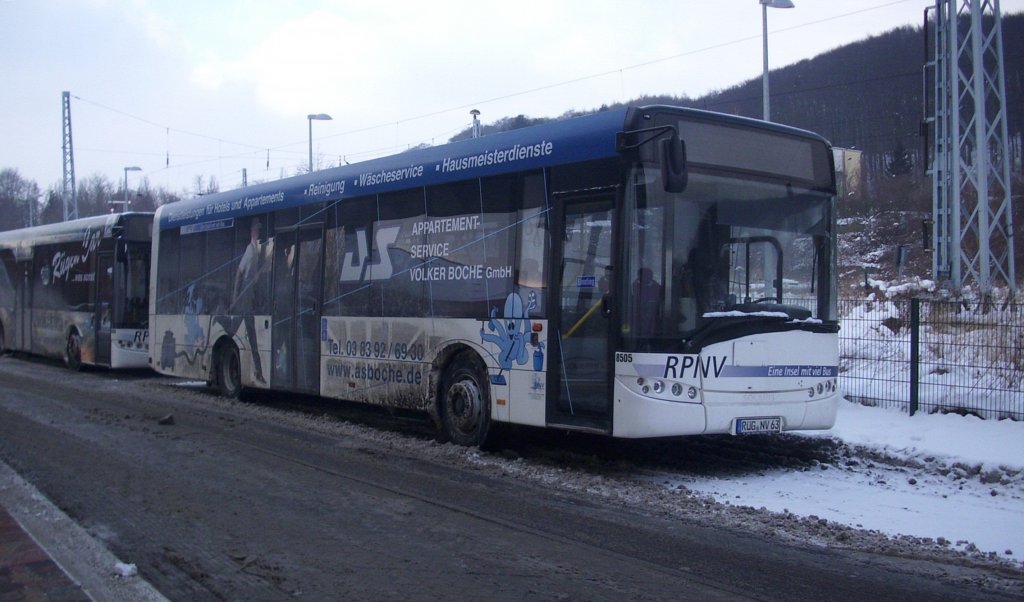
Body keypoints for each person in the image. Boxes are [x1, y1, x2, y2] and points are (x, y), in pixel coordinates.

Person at [222, 218, 266, 384]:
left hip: (249, 297)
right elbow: (239, 272)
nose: (257, 232)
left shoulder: (256, 250)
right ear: (251, 231)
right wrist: (235, 295)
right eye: (256, 229)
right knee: (250, 335)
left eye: (259, 230)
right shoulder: (250, 250)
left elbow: (251, 276)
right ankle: (259, 373)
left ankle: (259, 373)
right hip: (245, 298)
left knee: (235, 330)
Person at [631, 267, 663, 338]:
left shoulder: (657, 287)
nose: (640, 278)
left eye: (644, 276)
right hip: (638, 317)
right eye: (640, 276)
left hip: (653, 317)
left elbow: (659, 302)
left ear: (650, 276)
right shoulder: (635, 285)